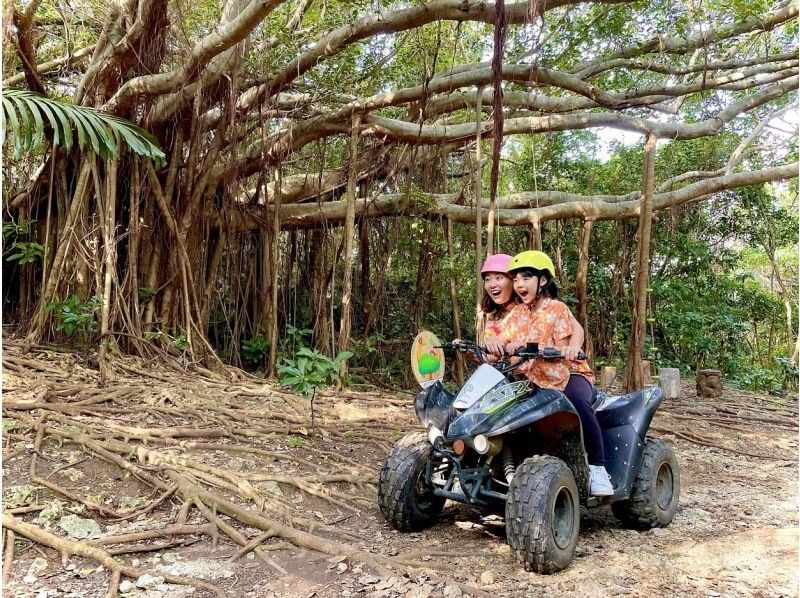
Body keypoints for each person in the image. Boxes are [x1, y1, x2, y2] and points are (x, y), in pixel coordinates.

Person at [490, 250, 614, 497]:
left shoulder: (556, 309)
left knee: (576, 401)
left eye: (526, 278)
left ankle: (598, 468)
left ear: (543, 281)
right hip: (531, 377)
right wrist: (491, 346)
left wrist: (543, 348)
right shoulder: (517, 313)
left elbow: (565, 348)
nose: (519, 284)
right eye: (515, 279)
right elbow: (499, 342)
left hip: (568, 374)